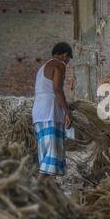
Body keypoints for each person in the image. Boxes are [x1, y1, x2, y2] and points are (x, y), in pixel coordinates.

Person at [32, 42, 73, 178]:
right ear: (65, 55)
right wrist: (67, 112)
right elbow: (57, 89)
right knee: (52, 154)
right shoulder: (58, 64)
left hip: (38, 111)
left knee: (46, 154)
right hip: (50, 110)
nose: (67, 63)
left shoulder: (42, 67)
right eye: (68, 59)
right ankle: (36, 188)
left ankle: (47, 189)